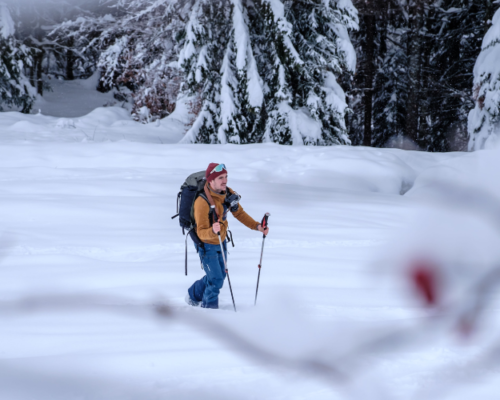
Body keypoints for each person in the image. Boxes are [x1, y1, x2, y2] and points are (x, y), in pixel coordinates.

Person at [186, 163, 269, 309]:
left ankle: (193, 295)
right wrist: (212, 230)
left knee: (219, 277)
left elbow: (240, 214)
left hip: (221, 241)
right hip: (207, 244)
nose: (225, 181)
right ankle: (209, 311)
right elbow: (201, 232)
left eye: (226, 177)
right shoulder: (202, 202)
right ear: (211, 180)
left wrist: (257, 227)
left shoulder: (227, 193)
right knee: (216, 280)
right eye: (220, 178)